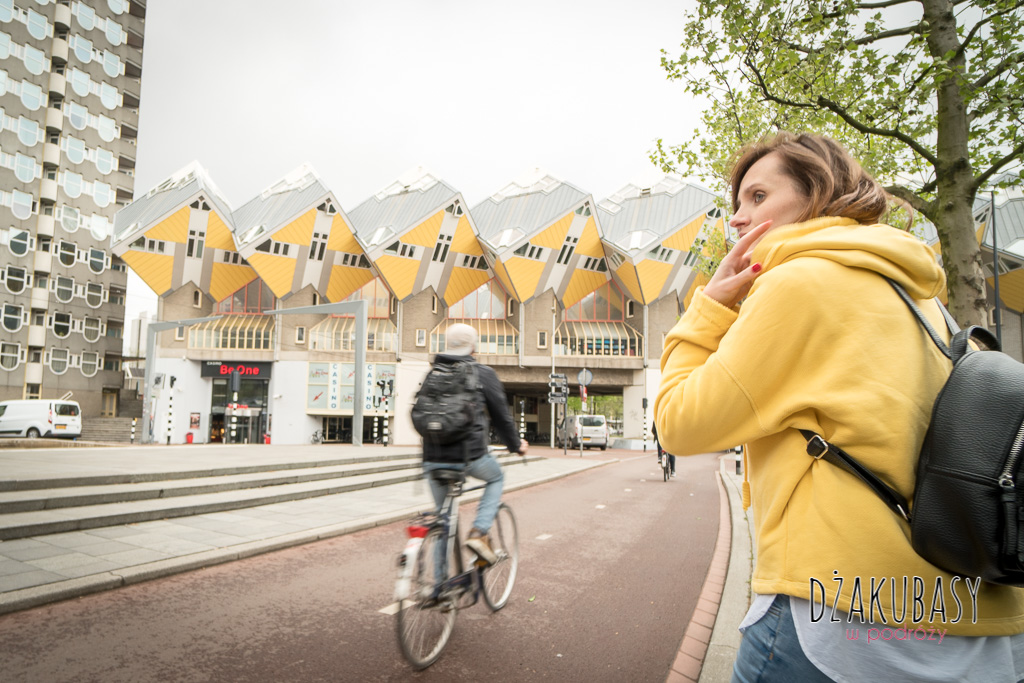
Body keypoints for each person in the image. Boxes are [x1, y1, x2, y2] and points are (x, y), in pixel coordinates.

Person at [654, 132, 1024, 682]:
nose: (737, 218)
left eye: (757, 197)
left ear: (819, 193)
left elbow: (678, 424)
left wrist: (706, 309)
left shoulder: (800, 285)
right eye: (737, 204)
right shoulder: (925, 301)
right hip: (978, 618)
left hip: (843, 614)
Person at [421, 323, 528, 565]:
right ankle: (479, 532)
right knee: (496, 478)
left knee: (443, 519)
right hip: (469, 456)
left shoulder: (433, 372)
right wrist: (517, 445)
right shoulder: (482, 373)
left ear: (447, 345)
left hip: (432, 457)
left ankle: (440, 592)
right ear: (473, 346)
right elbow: (501, 417)